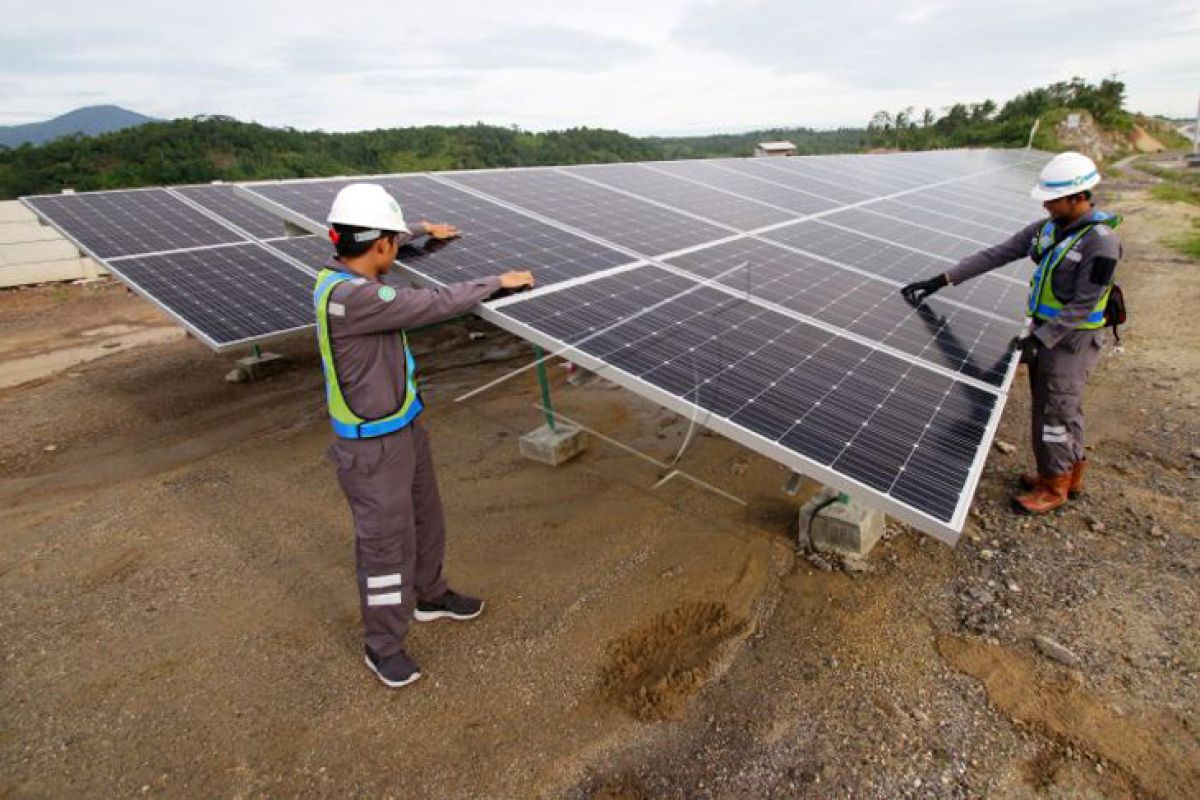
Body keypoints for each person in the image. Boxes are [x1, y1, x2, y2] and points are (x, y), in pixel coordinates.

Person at [314, 183, 535, 687]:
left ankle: (432, 595)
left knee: (426, 519)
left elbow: (379, 249)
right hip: (372, 449)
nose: (396, 248)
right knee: (384, 548)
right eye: (392, 241)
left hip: (403, 427)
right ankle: (383, 645)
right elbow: (433, 303)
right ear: (379, 247)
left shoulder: (345, 269)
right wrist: (496, 281)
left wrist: (418, 231)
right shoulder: (354, 299)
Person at [900, 152, 1121, 515]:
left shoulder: (1101, 242)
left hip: (1071, 341)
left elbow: (1084, 303)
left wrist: (1041, 339)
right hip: (1047, 335)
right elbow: (997, 254)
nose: (1047, 204)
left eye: (1054, 199)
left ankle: (1056, 485)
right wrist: (942, 279)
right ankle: (1065, 470)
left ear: (1079, 196)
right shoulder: (1047, 229)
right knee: (1055, 407)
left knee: (1056, 409)